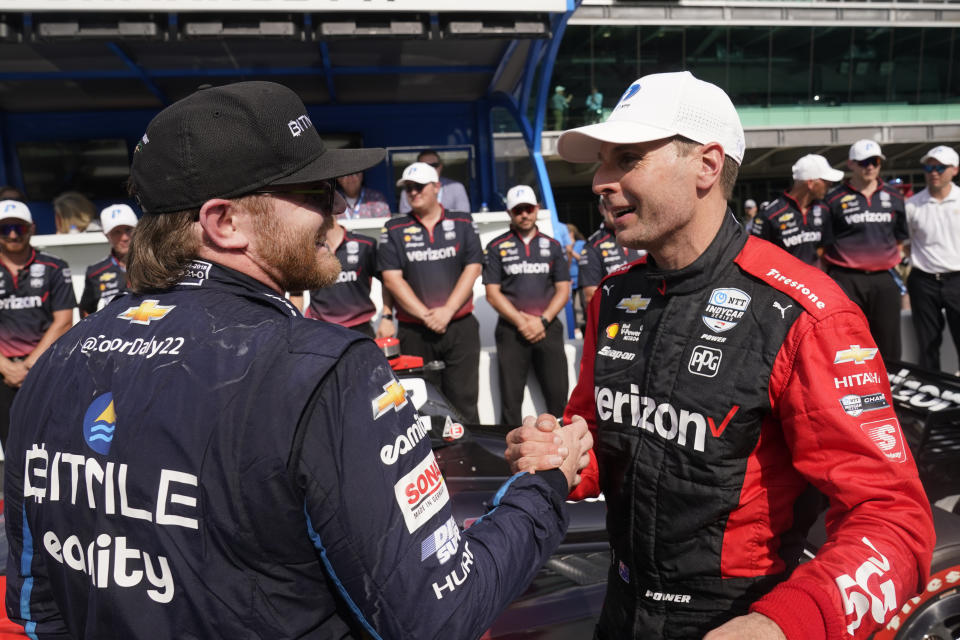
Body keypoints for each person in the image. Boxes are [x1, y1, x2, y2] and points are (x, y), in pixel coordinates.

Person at [4, 80, 593, 639]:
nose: (335, 214)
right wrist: (542, 486)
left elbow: (35, 605)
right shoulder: (324, 366)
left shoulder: (59, 361)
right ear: (224, 221)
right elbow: (436, 618)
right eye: (314, 194)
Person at [505, 71, 934, 640]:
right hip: (622, 610)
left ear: (707, 166)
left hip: (740, 618)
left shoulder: (806, 313)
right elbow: (596, 442)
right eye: (602, 163)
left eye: (626, 159)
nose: (601, 181)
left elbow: (895, 521)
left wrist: (781, 627)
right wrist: (562, 449)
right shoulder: (614, 295)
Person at [379, 161, 483, 422]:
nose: (413, 192)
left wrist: (447, 311)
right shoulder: (394, 228)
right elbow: (392, 279)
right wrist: (427, 316)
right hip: (415, 330)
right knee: (422, 407)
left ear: (437, 187)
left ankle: (471, 458)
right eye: (408, 188)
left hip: (460, 327)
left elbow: (473, 268)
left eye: (419, 187)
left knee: (465, 402)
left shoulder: (463, 222)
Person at [483, 184, 571, 426]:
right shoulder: (495, 246)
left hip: (548, 327)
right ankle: (507, 458)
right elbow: (492, 293)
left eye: (528, 208)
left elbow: (564, 289)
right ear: (509, 213)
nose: (524, 214)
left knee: (558, 398)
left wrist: (541, 321)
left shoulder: (553, 246)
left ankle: (562, 451)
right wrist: (523, 322)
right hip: (512, 330)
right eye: (518, 209)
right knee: (511, 403)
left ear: (537, 209)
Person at [822, 139, 908, 361]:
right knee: (847, 340)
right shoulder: (833, 199)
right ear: (851, 164)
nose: (870, 167)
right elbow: (823, 245)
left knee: (889, 340)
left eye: (875, 161)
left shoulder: (895, 197)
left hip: (884, 278)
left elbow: (900, 239)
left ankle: (892, 389)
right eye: (863, 162)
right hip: (846, 278)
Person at [0, 199, 76, 447]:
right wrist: (7, 368)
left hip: (45, 370)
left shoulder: (54, 267)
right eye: (5, 228)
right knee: (11, 446)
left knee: (51, 444)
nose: (13, 234)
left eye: (19, 228)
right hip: (3, 375)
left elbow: (64, 322)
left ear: (31, 228)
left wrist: (28, 366)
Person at [288, 212, 395, 339]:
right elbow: (296, 293)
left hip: (361, 330)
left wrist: (387, 317)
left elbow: (388, 282)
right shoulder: (305, 250)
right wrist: (294, 327)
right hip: (320, 331)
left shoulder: (364, 244)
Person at [905, 145, 960, 372]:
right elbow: (906, 244)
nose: (933, 172)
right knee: (927, 344)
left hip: (957, 279)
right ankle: (932, 390)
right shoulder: (912, 205)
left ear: (955, 170)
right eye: (928, 167)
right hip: (924, 280)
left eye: (940, 167)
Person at [750, 154, 843, 265]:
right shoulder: (770, 214)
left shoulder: (824, 209)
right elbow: (756, 256)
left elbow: (823, 248)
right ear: (810, 183)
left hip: (813, 280)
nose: (830, 184)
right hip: (780, 280)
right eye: (826, 181)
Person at [578, 196, 645, 304]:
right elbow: (591, 296)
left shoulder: (645, 236)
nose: (617, 209)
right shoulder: (592, 245)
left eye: (622, 206)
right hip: (617, 316)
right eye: (609, 204)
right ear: (601, 209)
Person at [78, 203, 138, 317]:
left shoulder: (155, 265)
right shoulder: (95, 272)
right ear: (106, 236)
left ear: (138, 229)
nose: (124, 237)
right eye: (117, 232)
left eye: (128, 230)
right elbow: (86, 312)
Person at [398, 149, 471, 214]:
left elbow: (464, 215)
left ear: (437, 187)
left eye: (434, 165)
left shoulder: (456, 187)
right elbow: (405, 217)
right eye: (425, 166)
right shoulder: (408, 191)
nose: (414, 192)